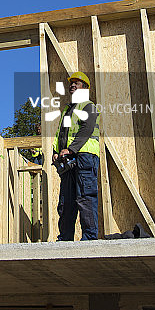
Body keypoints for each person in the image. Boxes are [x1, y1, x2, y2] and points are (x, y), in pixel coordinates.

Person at [52, 72, 100, 241]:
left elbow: (86, 129)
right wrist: (56, 152)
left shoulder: (88, 106)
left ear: (85, 88)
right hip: (69, 160)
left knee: (85, 197)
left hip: (85, 156)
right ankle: (65, 238)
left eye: (77, 83)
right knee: (66, 202)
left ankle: (90, 238)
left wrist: (71, 149)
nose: (72, 86)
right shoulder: (68, 110)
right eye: (71, 83)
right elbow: (62, 134)